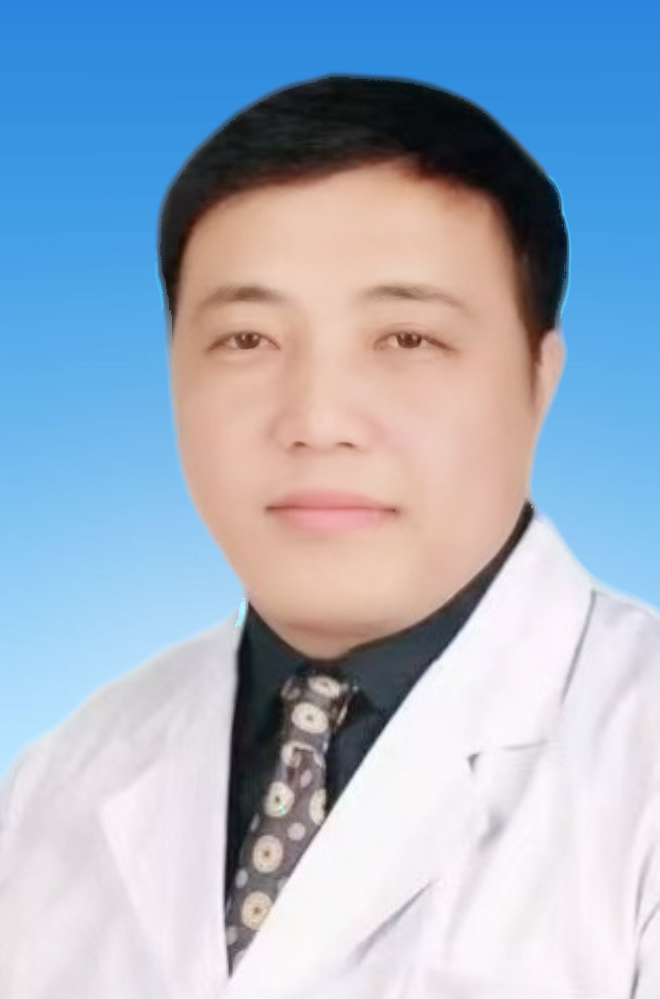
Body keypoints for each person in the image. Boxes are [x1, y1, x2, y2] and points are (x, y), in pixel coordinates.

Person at [1, 73, 659, 999]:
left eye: (406, 339)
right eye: (247, 340)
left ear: (538, 379)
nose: (316, 420)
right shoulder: (60, 780)